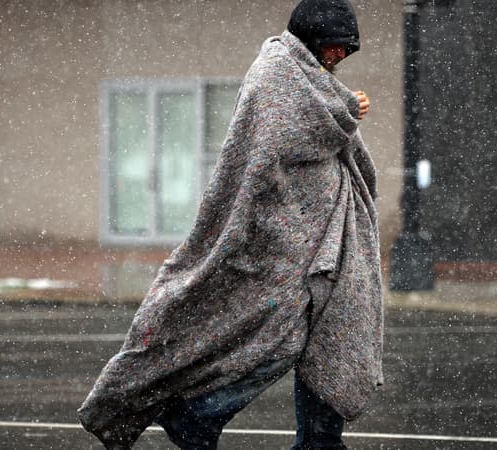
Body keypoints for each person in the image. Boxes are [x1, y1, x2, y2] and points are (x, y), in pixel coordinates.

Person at [78, 1, 383, 449]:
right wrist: (342, 111)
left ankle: (316, 438)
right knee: (280, 343)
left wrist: (341, 108)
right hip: (283, 244)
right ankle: (198, 415)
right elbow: (277, 143)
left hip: (329, 242)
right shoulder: (275, 75)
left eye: (344, 51)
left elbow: (319, 131)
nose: (337, 57)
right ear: (313, 38)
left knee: (329, 340)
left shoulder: (310, 79)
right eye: (333, 47)